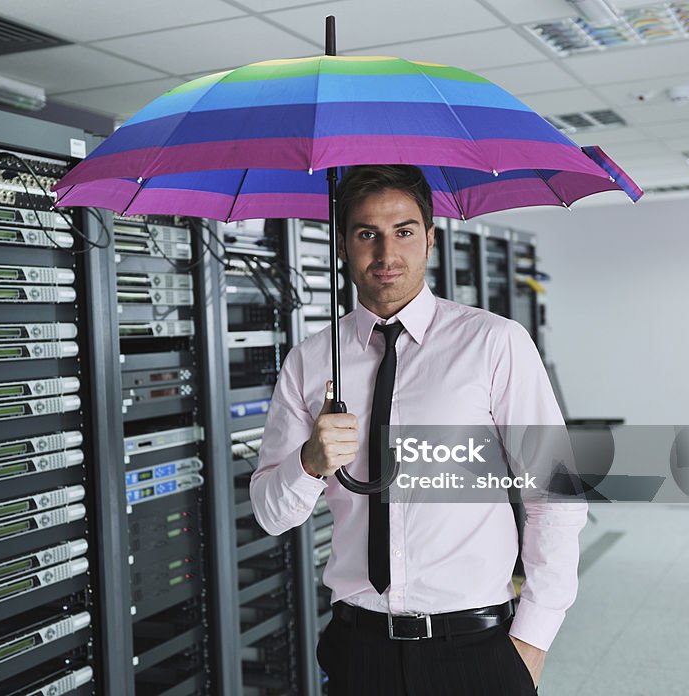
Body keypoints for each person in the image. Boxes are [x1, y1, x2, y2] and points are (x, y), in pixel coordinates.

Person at [250, 165, 586, 695]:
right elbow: (271, 515)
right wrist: (310, 463)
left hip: (476, 647)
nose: (387, 255)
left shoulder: (493, 342)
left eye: (404, 231)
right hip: (359, 649)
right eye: (367, 234)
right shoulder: (310, 362)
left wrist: (533, 639)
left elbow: (555, 493)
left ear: (429, 238)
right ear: (342, 244)